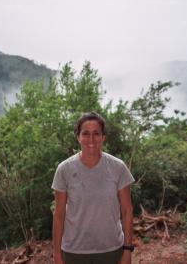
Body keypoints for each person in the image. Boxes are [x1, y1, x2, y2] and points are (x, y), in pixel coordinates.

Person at [52, 112, 135, 264]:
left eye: (96, 133)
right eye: (85, 133)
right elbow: (59, 214)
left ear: (103, 137)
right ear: (78, 137)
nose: (91, 139)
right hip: (74, 252)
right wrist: (57, 255)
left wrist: (128, 250)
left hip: (112, 251)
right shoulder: (64, 169)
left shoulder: (118, 167)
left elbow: (127, 210)